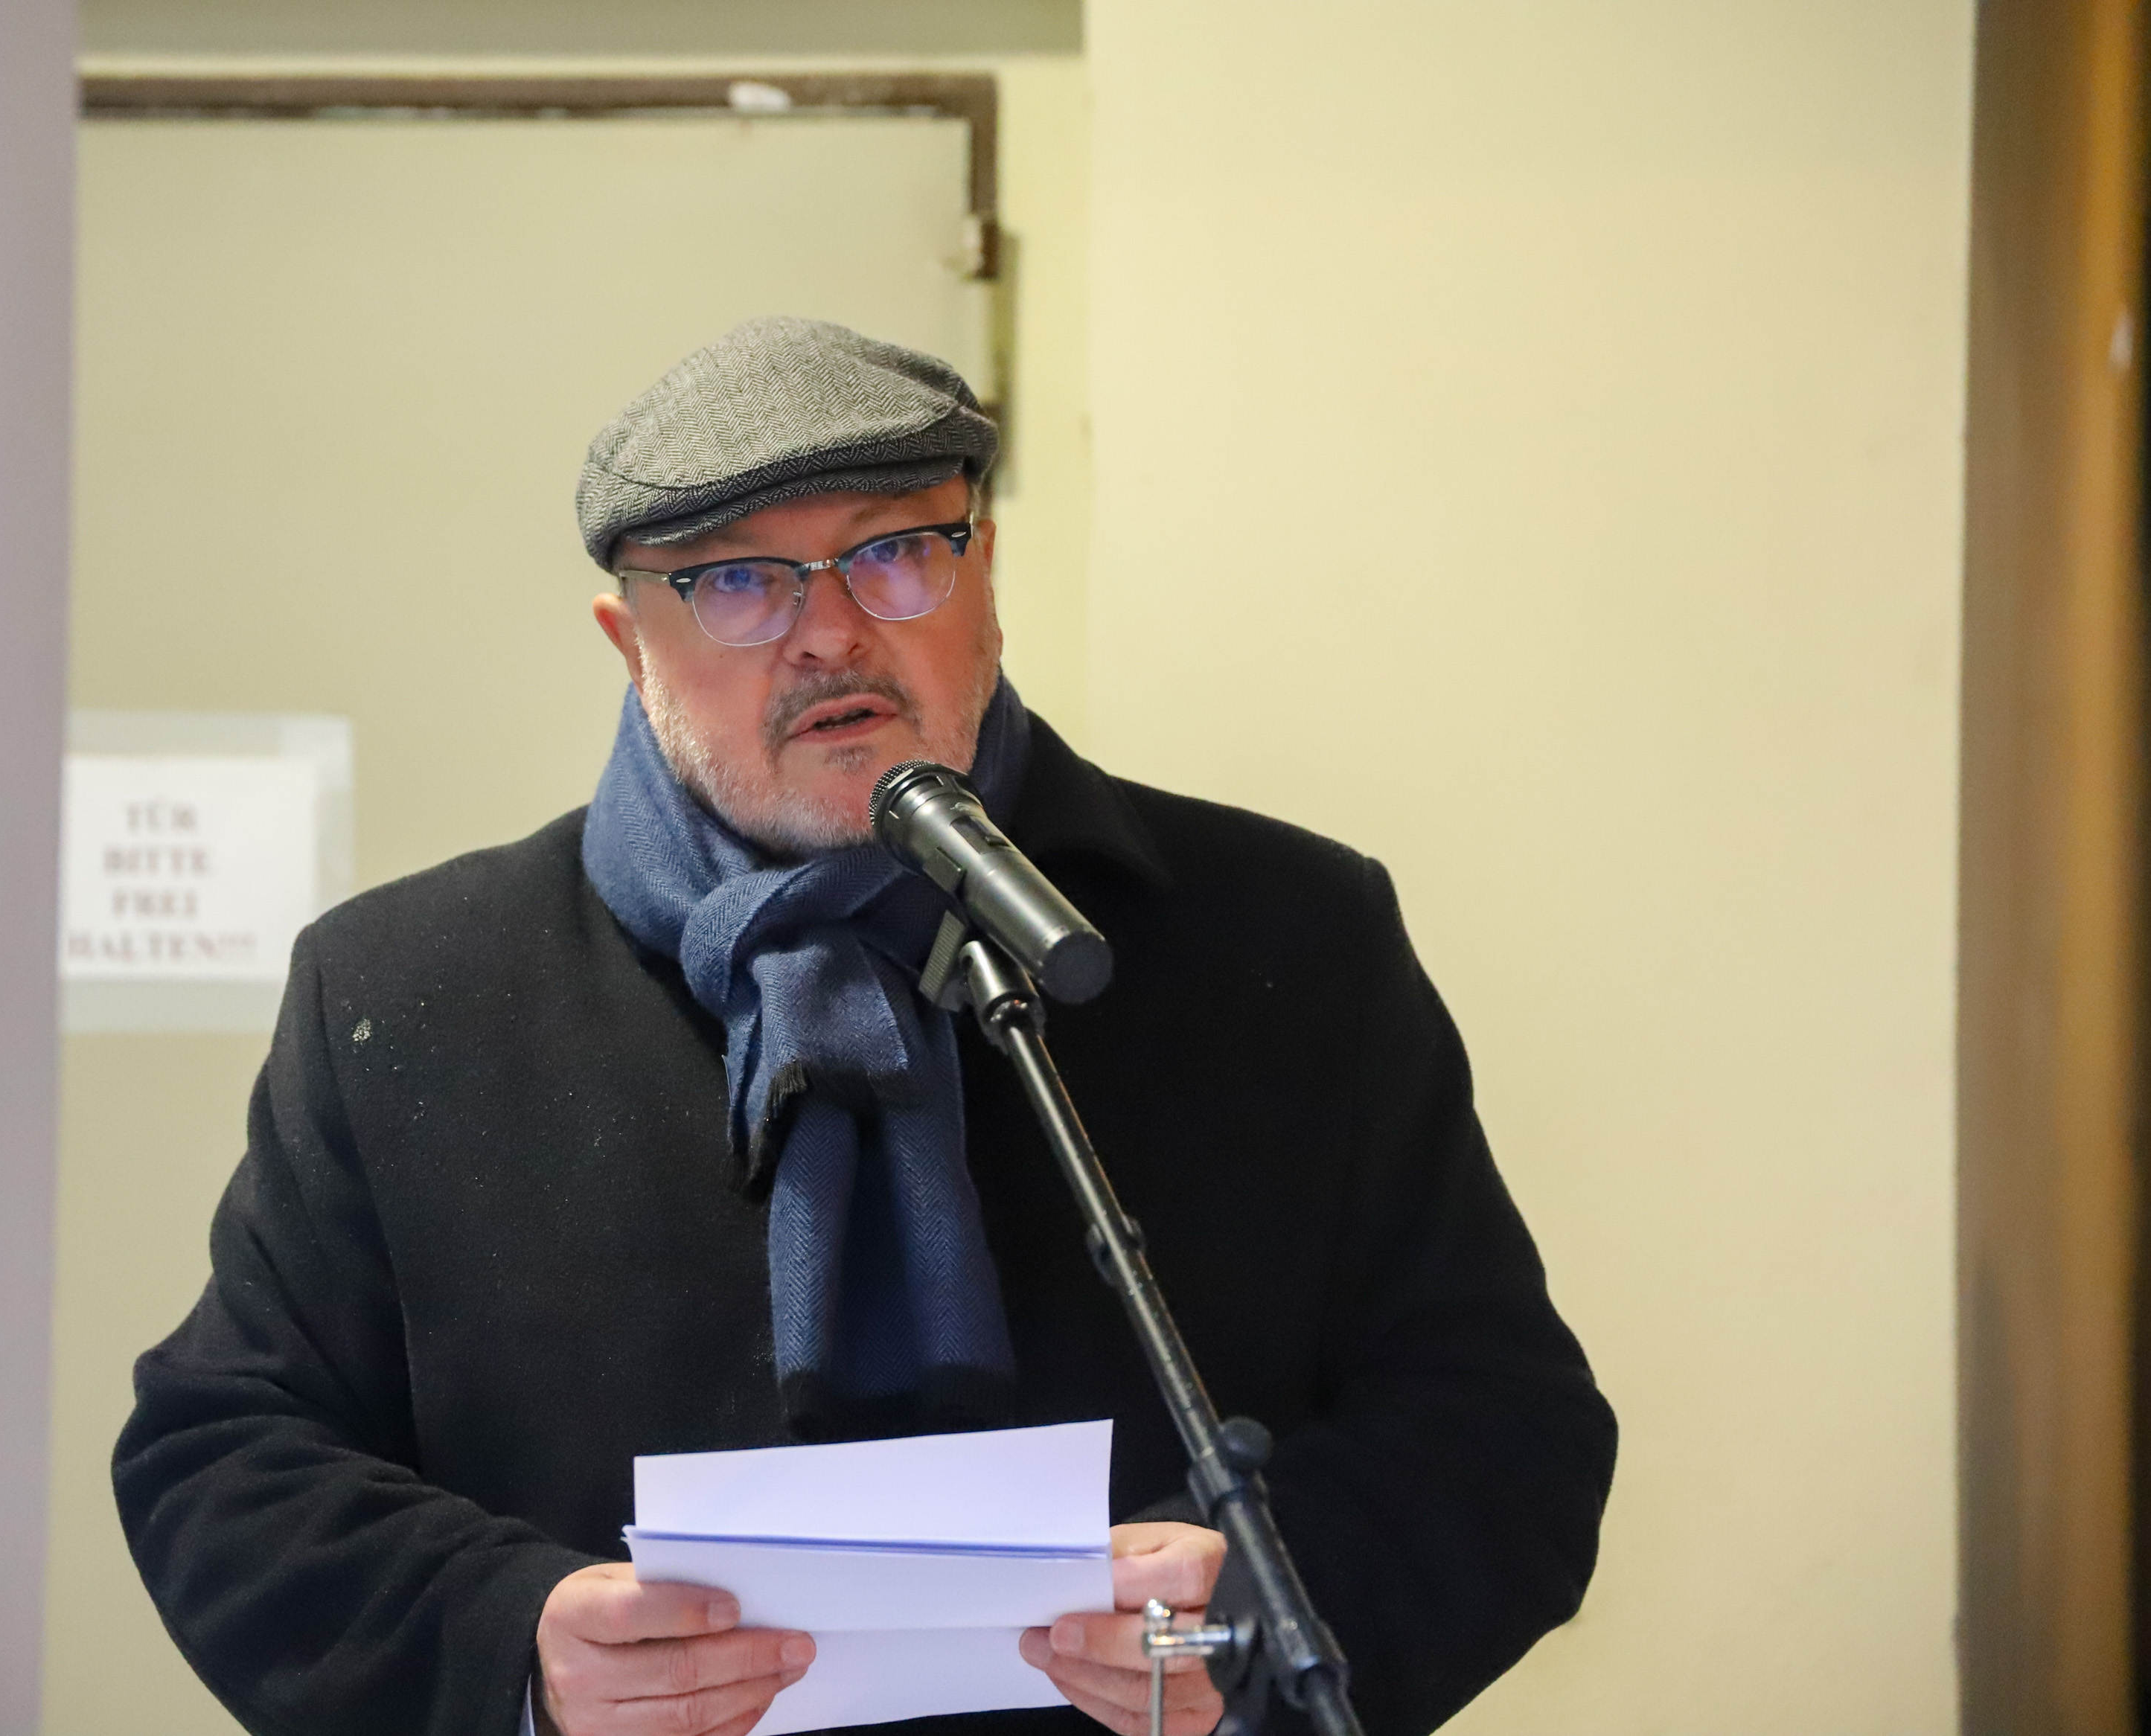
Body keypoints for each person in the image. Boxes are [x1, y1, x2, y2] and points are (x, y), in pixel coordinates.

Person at [114, 317, 1616, 1736]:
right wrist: (513, 1646)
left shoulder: (1284, 936)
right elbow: (223, 1458)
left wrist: (1273, 1613)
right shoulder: (411, 993)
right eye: (737, 582)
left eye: (895, 554)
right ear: (628, 641)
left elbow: (1507, 1429)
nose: (829, 633)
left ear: (986, 572)